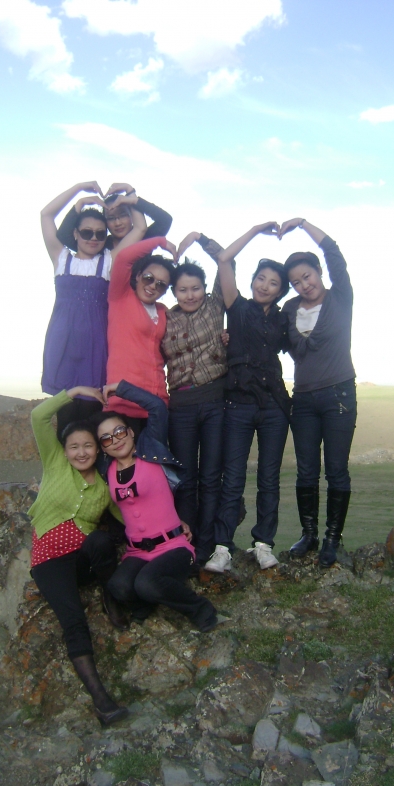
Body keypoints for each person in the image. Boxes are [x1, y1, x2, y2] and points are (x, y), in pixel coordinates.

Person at [28, 385, 130, 726]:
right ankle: (102, 702)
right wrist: (73, 392)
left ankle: (110, 596)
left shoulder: (104, 488)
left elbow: (130, 517)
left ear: (98, 450)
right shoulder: (55, 463)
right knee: (73, 622)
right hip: (49, 562)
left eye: (88, 445)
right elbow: (38, 417)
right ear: (65, 450)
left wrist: (174, 529)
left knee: (101, 541)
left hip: (82, 559)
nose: (81, 452)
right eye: (74, 446)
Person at [95, 380, 219, 631]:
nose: (115, 440)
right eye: (106, 439)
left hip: (173, 545)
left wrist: (120, 388)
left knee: (147, 583)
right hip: (137, 551)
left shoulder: (150, 450)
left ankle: (201, 610)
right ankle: (145, 606)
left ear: (131, 432)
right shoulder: (106, 469)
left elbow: (157, 407)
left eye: (119, 431)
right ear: (103, 448)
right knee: (119, 586)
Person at [203, 223, 291, 573]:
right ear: (253, 280)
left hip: (274, 406)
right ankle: (222, 547)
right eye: (261, 278)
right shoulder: (236, 308)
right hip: (238, 404)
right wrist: (255, 230)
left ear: (281, 291)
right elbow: (224, 259)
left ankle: (263, 544)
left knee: (269, 478)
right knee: (233, 477)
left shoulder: (284, 319)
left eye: (273, 283)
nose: (264, 286)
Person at [279, 217, 356, 568]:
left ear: (319, 272)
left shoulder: (340, 297)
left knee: (336, 470)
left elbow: (333, 251)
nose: (303, 284)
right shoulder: (289, 309)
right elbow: (270, 339)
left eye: (307, 276)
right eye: (296, 282)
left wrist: (303, 224)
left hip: (339, 396)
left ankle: (332, 539)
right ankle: (308, 534)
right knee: (306, 471)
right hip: (304, 400)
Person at [40, 182, 145, 435]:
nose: (94, 238)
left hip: (96, 347)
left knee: (93, 415)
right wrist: (79, 189)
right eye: (87, 233)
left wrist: (129, 195)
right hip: (62, 344)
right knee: (65, 421)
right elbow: (46, 214)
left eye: (100, 233)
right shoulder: (61, 258)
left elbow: (140, 228)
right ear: (75, 233)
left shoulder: (110, 260)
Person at [162, 232, 228, 565]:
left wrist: (200, 239)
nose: (190, 295)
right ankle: (185, 543)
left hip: (215, 401)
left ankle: (207, 543)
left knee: (211, 476)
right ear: (174, 292)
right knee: (185, 477)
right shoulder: (164, 317)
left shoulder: (216, 306)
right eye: (182, 289)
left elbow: (226, 261)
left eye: (196, 288)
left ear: (204, 288)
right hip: (181, 407)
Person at [105, 236, 176, 426]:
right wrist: (160, 241)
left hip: (156, 405)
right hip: (124, 402)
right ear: (137, 276)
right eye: (148, 278)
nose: (153, 286)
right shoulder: (120, 297)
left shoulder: (163, 311)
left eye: (161, 284)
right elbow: (123, 258)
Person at [56, 182, 172, 252]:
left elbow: (165, 220)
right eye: (111, 218)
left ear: (132, 217)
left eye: (123, 215)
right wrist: (80, 203)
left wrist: (131, 195)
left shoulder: (145, 238)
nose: (118, 223)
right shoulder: (99, 244)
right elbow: (63, 235)